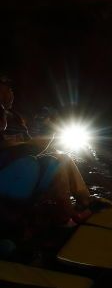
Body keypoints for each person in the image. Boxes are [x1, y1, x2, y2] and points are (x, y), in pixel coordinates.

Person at [0, 75, 92, 229]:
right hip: (7, 171)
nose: (10, 91)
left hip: (22, 166)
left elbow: (30, 144)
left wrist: (46, 128)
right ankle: (64, 216)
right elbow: (17, 145)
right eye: (5, 86)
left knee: (62, 159)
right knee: (41, 162)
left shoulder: (16, 118)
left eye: (11, 88)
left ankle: (83, 206)